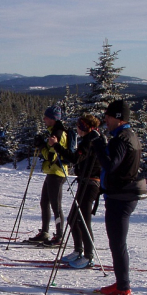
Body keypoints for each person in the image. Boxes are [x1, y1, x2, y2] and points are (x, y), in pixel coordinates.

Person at [91, 100, 147, 295]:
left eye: (108, 116)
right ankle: (120, 284)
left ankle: (124, 290)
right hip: (122, 195)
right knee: (116, 244)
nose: (105, 119)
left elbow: (110, 165)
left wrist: (98, 144)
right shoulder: (127, 136)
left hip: (120, 197)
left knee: (117, 244)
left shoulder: (121, 139)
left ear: (118, 118)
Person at [49, 114, 102, 268]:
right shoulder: (90, 139)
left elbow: (75, 158)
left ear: (85, 127)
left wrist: (56, 146)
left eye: (79, 127)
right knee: (73, 218)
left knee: (83, 220)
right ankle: (78, 250)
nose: (77, 130)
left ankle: (88, 256)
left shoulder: (90, 140)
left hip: (91, 183)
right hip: (84, 181)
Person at [26, 105, 69, 246]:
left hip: (57, 172)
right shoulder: (54, 131)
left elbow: (51, 156)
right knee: (45, 202)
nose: (44, 119)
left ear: (52, 119)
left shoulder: (58, 133)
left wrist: (41, 146)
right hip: (52, 172)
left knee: (56, 205)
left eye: (46, 117)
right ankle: (45, 232)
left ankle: (59, 235)